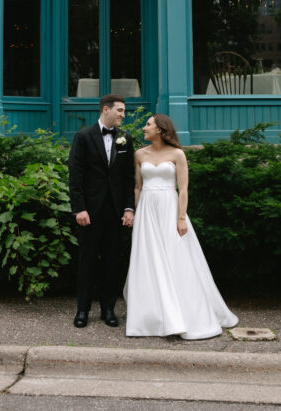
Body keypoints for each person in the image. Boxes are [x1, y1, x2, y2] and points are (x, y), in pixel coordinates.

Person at [124, 114, 238, 339]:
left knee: (175, 257)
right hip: (147, 210)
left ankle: (184, 312)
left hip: (169, 207)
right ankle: (151, 316)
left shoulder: (178, 154)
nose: (144, 128)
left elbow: (183, 189)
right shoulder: (139, 154)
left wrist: (181, 218)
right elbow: (137, 187)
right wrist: (134, 212)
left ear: (160, 129)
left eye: (148, 124)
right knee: (148, 259)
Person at [67, 94, 136, 328]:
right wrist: (80, 209)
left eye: (124, 111)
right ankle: (82, 311)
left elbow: (129, 178)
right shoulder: (83, 137)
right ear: (105, 109)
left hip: (115, 212)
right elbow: (75, 177)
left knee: (111, 262)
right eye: (120, 110)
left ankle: (108, 309)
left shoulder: (125, 139)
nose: (122, 115)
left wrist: (129, 208)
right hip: (90, 212)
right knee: (86, 261)